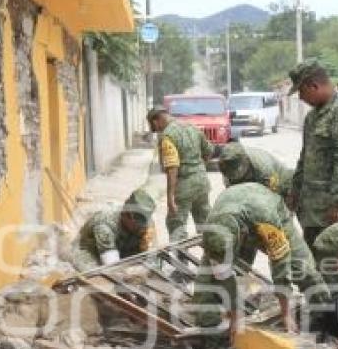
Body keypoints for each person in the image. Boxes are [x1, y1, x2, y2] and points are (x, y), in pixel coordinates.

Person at [187, 183, 330, 349]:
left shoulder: (265, 220)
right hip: (235, 222)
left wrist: (286, 313)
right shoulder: (214, 234)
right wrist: (235, 315)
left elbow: (280, 265)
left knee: (303, 269)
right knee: (205, 287)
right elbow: (223, 276)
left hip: (268, 214)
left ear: (242, 236)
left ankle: (328, 322)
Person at [287, 58, 338, 251]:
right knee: (315, 267)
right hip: (312, 211)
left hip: (335, 213)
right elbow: (305, 158)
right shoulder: (312, 117)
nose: (301, 98)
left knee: (337, 270)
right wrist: (295, 190)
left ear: (313, 86)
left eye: (301, 92)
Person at [147, 107, 213, 241]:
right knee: (205, 225)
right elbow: (209, 151)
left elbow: (172, 168)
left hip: (184, 187)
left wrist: (170, 197)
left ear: (156, 122)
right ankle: (212, 258)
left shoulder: (167, 136)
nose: (158, 131)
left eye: (156, 128)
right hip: (202, 183)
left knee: (176, 225)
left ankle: (182, 261)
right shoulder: (192, 127)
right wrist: (198, 169)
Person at [71, 190, 156, 272]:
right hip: (91, 252)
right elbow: (113, 267)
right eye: (138, 223)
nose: (141, 226)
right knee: (98, 277)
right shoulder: (104, 226)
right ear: (126, 214)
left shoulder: (143, 219)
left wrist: (147, 247)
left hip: (120, 246)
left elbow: (152, 255)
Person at [218, 143, 294, 201]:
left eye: (235, 173)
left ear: (245, 162)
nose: (231, 176)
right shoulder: (228, 165)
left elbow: (273, 196)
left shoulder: (264, 169)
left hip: (280, 182)